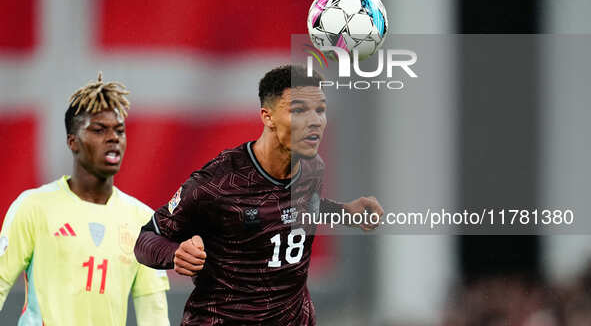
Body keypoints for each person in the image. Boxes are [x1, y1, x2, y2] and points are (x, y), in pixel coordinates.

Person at [134, 64, 383, 325]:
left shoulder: (312, 167)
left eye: (320, 110)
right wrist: (175, 254)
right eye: (298, 110)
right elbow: (146, 238)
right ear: (268, 117)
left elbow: (296, 206)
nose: (314, 121)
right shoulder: (218, 181)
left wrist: (344, 212)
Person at [0, 74, 170, 325]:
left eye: (119, 131)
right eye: (99, 130)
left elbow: (154, 316)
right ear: (73, 142)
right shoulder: (34, 207)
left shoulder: (143, 221)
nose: (113, 138)